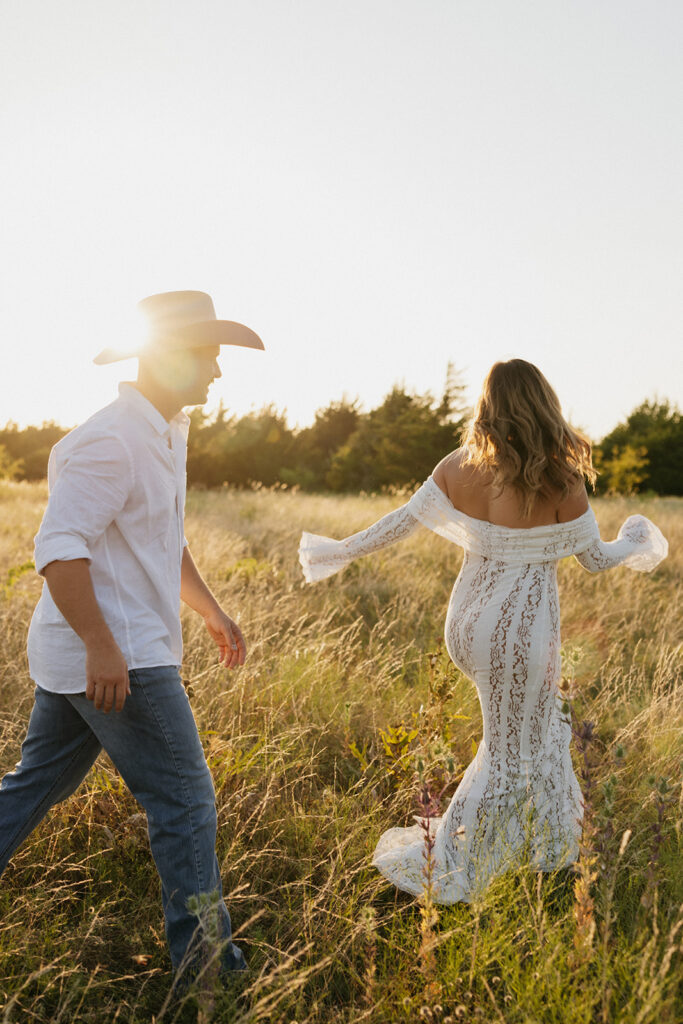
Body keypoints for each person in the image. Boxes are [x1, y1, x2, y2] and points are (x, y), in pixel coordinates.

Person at [299, 359, 668, 903]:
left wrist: (340, 550)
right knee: (511, 751)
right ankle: (462, 861)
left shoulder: (457, 465)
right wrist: (634, 542)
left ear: (488, 406)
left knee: (542, 731)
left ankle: (544, 847)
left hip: (468, 628)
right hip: (520, 636)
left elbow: (401, 521)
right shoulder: (560, 478)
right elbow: (594, 559)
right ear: (544, 403)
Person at [0, 290, 264, 984]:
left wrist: (209, 609)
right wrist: (102, 645)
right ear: (172, 356)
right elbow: (59, 548)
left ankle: (206, 963)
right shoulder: (109, 438)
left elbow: (158, 536)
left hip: (97, 654)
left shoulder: (166, 428)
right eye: (207, 355)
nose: (216, 371)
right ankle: (209, 971)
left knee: (34, 787)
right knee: (185, 802)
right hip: (120, 660)